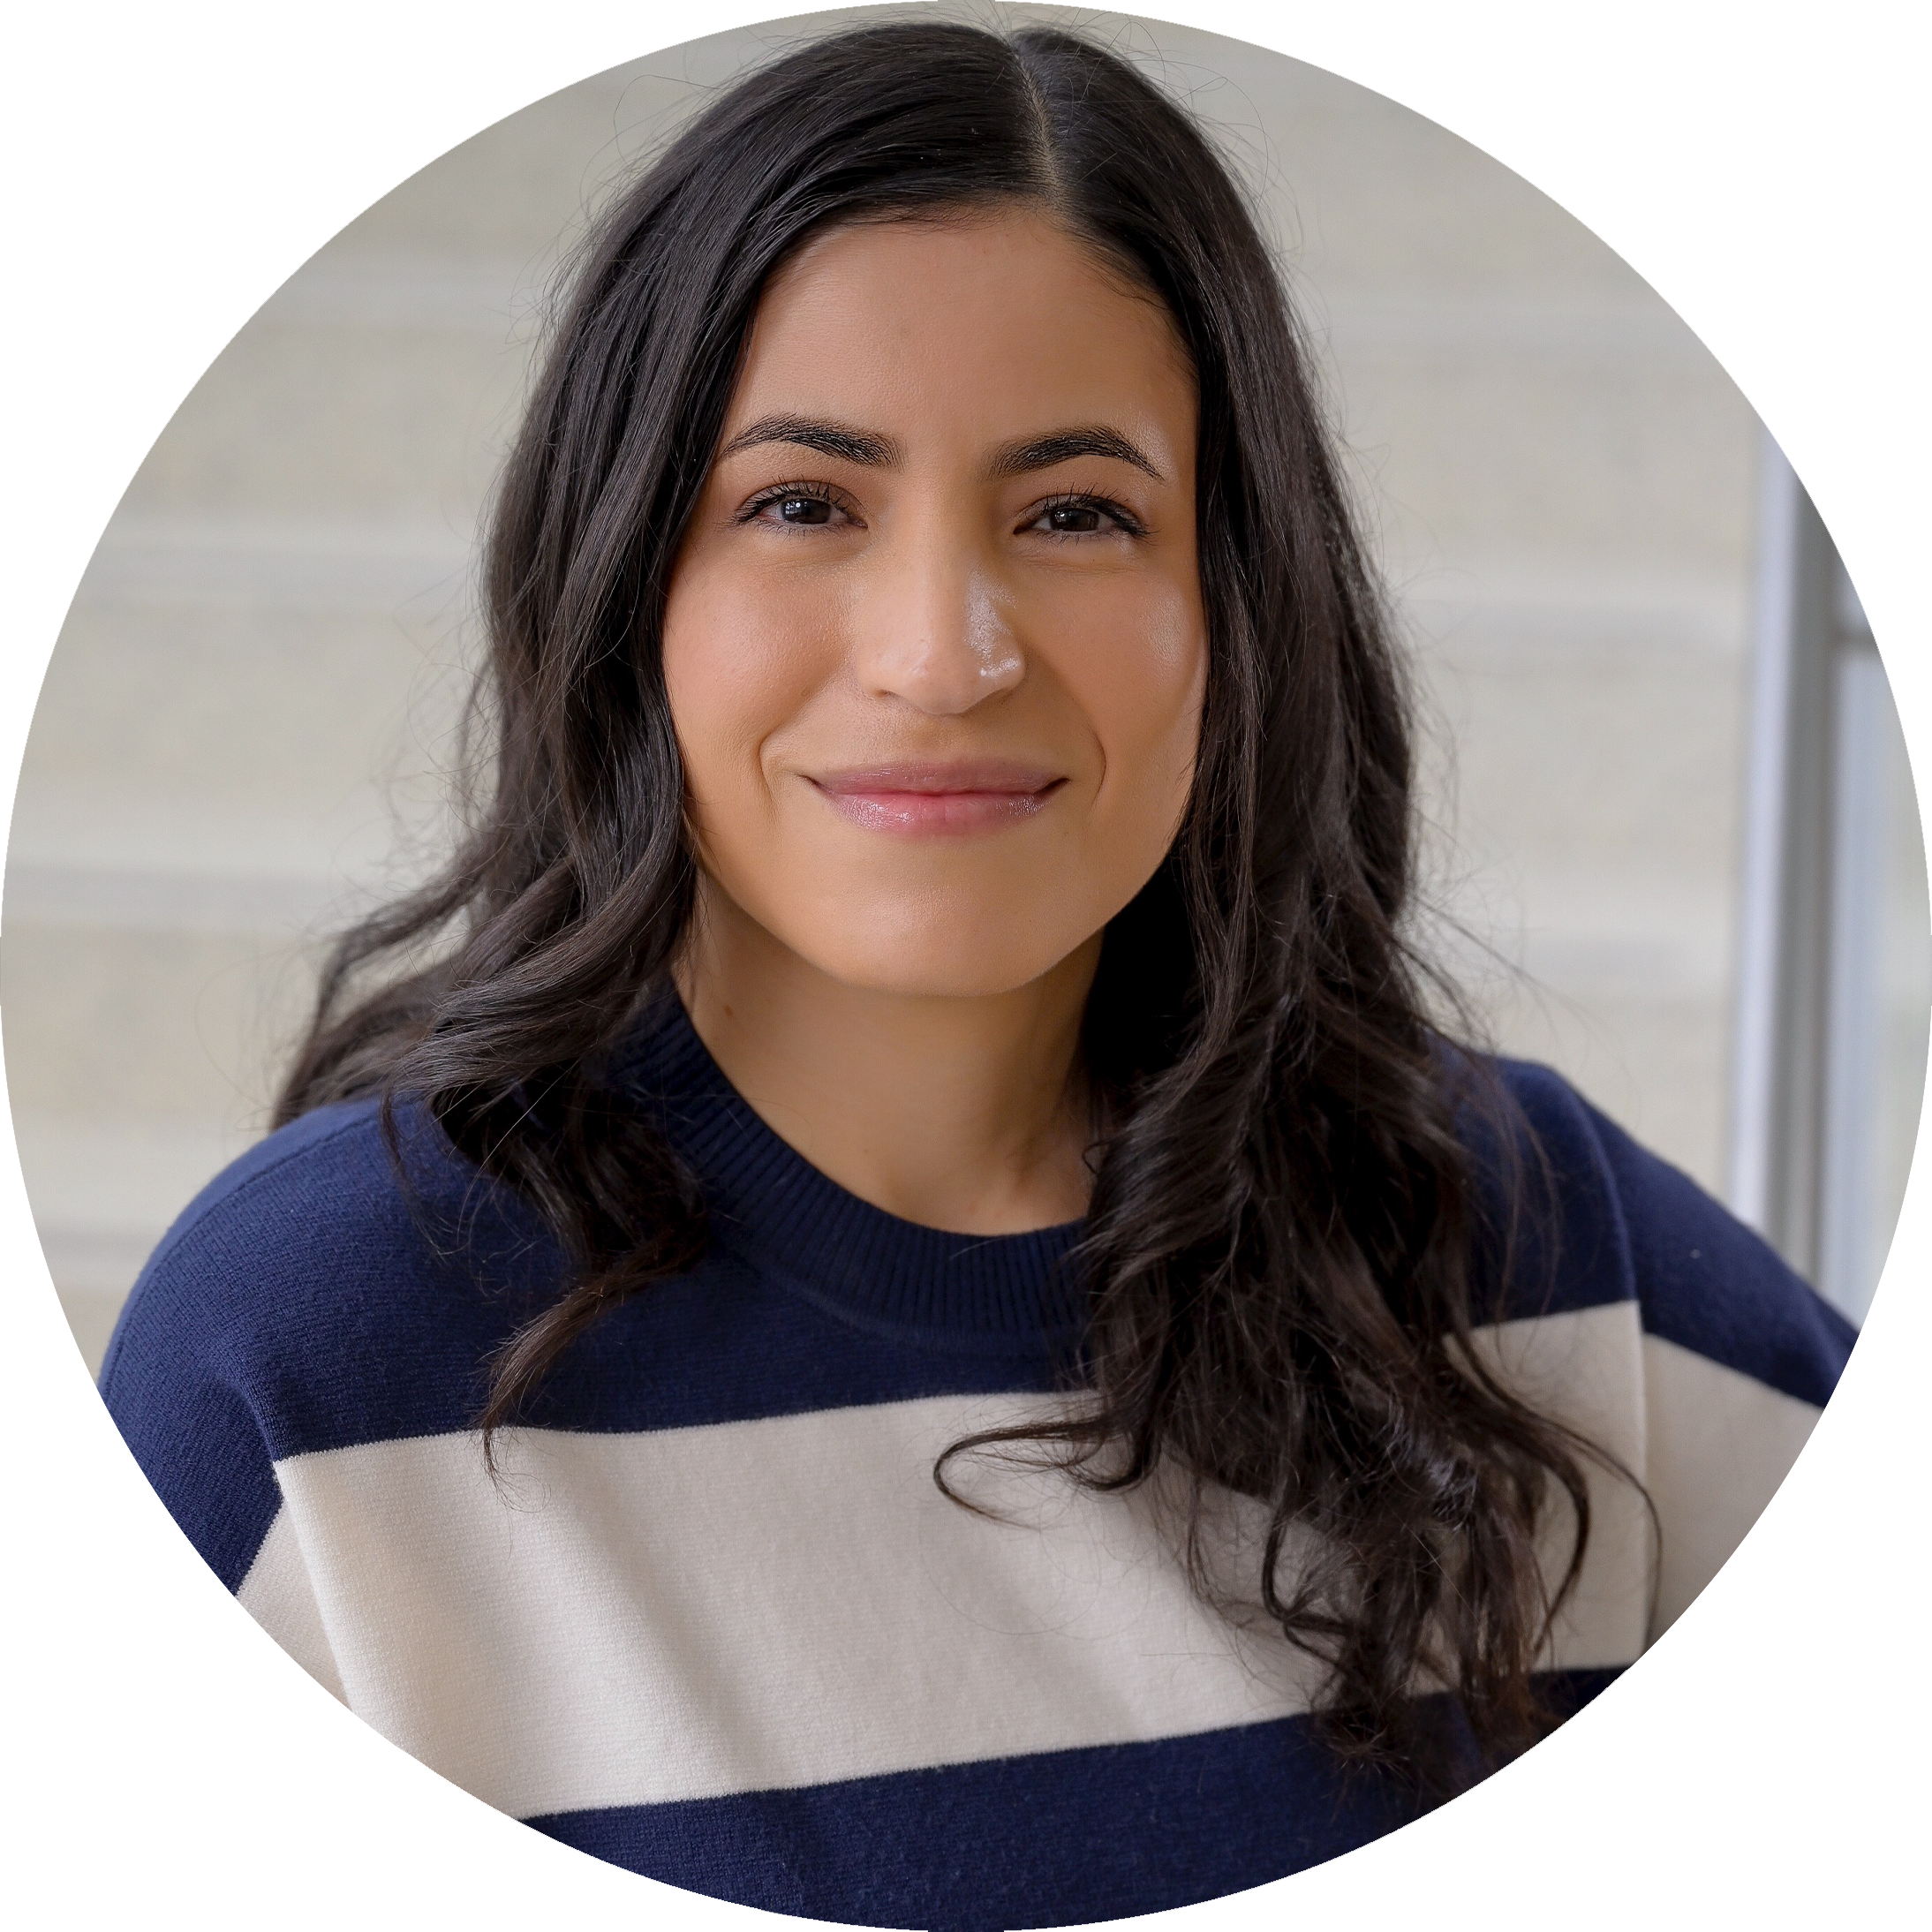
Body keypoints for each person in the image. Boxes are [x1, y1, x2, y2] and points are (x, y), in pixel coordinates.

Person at [38, 22, 1931, 1930]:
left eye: (1077, 512)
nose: (943, 651)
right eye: (801, 502)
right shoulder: (311, 1357)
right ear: (626, 590)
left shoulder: (1489, 1233)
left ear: (1234, 605)